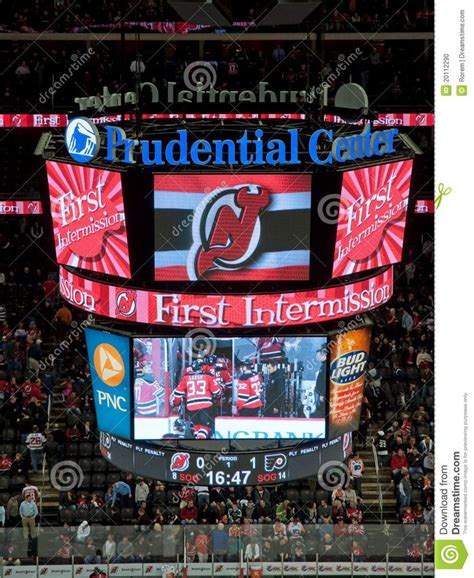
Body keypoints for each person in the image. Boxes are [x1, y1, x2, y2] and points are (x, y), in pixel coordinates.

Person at [172, 358, 222, 439]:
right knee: (205, 426)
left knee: (196, 426)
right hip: (205, 405)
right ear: (202, 367)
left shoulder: (186, 378)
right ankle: (199, 441)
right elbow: (217, 392)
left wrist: (176, 404)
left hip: (191, 406)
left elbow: (178, 393)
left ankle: (196, 439)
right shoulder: (208, 376)